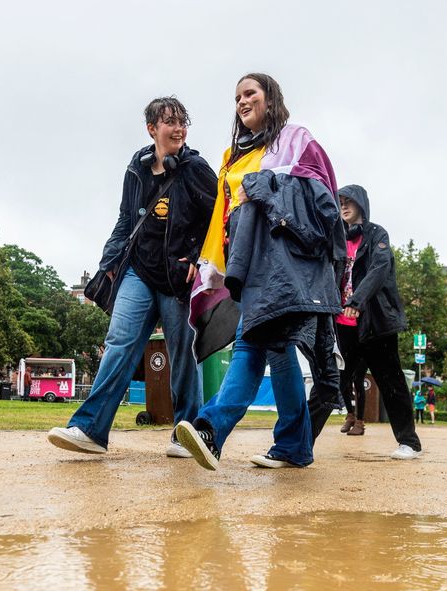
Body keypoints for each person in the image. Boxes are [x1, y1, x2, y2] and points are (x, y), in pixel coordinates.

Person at [175, 72, 342, 470]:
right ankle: (293, 447)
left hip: (284, 265)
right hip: (249, 262)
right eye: (236, 98)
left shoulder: (296, 139)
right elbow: (224, 211)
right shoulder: (232, 155)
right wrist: (212, 263)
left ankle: (210, 429)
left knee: (252, 342)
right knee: (280, 351)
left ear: (271, 99)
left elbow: (324, 197)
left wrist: (265, 186)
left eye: (250, 93)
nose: (242, 102)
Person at [48, 96, 218, 457]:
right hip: (138, 271)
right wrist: (109, 262)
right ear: (152, 128)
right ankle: (90, 429)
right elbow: (126, 219)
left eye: (182, 122)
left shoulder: (196, 168)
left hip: (177, 278)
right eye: (169, 122)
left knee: (183, 354)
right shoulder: (136, 169)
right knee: (119, 342)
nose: (178, 129)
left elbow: (218, 217)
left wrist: (199, 256)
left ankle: (186, 435)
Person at [318, 184, 423, 457]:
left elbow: (379, 269)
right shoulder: (336, 237)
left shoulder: (377, 234)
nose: (343, 206)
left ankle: (409, 442)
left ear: (361, 204)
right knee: (330, 381)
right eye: (339, 201)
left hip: (376, 324)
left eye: (348, 201)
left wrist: (356, 301)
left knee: (391, 382)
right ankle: (299, 442)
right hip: (342, 326)